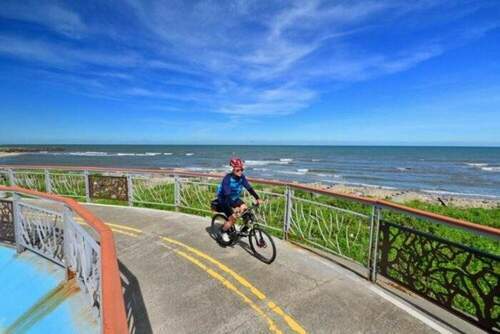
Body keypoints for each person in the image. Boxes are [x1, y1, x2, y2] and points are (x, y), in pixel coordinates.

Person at [216, 158, 263, 243]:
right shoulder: (227, 179)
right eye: (238, 170)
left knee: (247, 213)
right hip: (224, 200)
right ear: (233, 169)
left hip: (234, 198)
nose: (240, 171)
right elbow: (227, 195)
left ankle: (243, 230)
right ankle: (223, 232)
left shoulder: (242, 177)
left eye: (241, 169)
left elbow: (249, 188)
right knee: (233, 219)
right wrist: (234, 208)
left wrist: (257, 198)